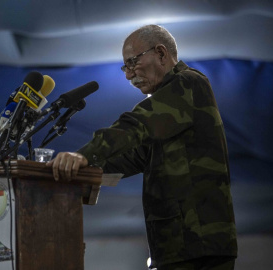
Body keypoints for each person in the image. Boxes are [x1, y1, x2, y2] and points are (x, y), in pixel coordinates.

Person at [47, 25, 238, 269]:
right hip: (180, 247)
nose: (128, 75)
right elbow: (132, 157)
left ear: (160, 53)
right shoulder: (169, 116)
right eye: (125, 67)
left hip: (199, 247)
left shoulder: (189, 83)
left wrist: (83, 155)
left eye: (132, 62)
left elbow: (137, 124)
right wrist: (80, 170)